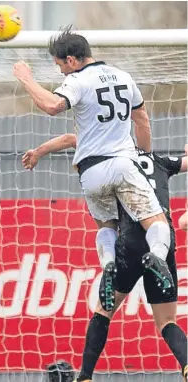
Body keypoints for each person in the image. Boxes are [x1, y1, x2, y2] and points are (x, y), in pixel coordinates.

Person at [14, 25, 174, 313]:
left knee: (106, 226)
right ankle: (157, 257)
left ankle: (108, 265)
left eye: (60, 65)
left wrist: (26, 79)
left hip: (91, 171)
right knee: (158, 223)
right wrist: (145, 156)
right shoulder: (124, 77)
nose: (62, 72)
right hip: (125, 164)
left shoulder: (78, 80)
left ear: (72, 60)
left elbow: (52, 106)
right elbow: (143, 120)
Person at [23, 139, 188, 382]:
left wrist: (39, 151)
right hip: (162, 235)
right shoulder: (160, 161)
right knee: (166, 322)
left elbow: (73, 139)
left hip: (129, 242)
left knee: (103, 310)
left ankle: (85, 376)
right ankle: (186, 366)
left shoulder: (117, 162)